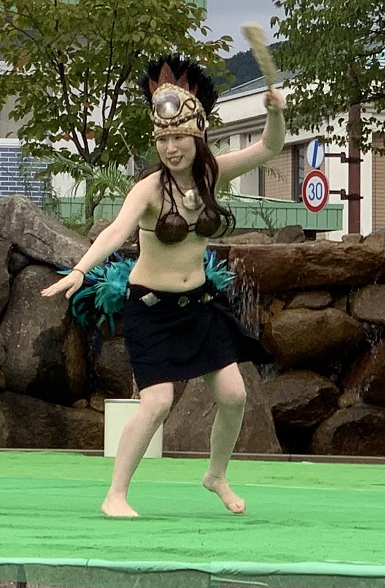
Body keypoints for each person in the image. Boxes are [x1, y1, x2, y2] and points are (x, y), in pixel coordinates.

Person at [42, 56, 285, 518]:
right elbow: (116, 231)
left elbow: (269, 148)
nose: (171, 148)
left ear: (198, 135)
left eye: (179, 138)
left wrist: (275, 113)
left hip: (201, 305)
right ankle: (115, 494)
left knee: (234, 396)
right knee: (157, 403)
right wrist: (80, 269)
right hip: (152, 310)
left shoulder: (212, 174)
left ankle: (215, 475)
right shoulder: (150, 189)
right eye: (163, 139)